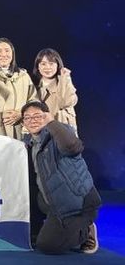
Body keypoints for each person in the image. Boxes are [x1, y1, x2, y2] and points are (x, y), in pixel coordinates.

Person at [22, 101, 100, 255]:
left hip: (77, 203)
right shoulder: (29, 143)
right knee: (28, 191)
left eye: (37, 116)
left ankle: (86, 229)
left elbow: (72, 147)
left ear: (47, 116)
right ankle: (45, 229)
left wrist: (52, 123)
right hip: (52, 201)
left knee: (48, 246)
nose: (33, 120)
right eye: (27, 118)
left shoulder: (61, 132)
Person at [0, 37, 37, 139]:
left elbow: (34, 100)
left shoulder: (23, 76)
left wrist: (21, 113)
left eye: (7, 51)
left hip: (22, 128)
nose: (3, 54)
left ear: (12, 54)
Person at [33, 48, 78, 133]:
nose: (47, 67)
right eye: (43, 64)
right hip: (41, 135)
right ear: (38, 67)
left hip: (64, 135)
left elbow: (65, 102)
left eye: (51, 64)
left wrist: (65, 78)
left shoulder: (65, 84)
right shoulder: (34, 89)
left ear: (58, 65)